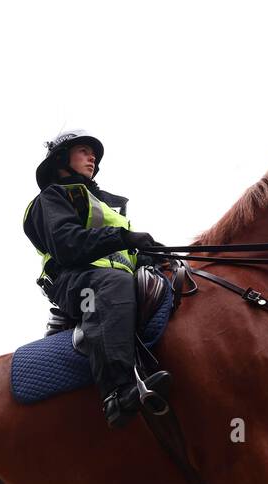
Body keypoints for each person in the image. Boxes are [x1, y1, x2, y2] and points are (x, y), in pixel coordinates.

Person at [23, 130, 170, 428]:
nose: (92, 157)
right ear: (62, 160)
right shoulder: (51, 198)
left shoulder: (103, 204)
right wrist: (124, 236)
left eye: (94, 154)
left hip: (116, 275)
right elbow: (67, 244)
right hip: (75, 280)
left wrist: (150, 255)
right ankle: (117, 391)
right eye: (83, 151)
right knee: (112, 284)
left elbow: (125, 253)